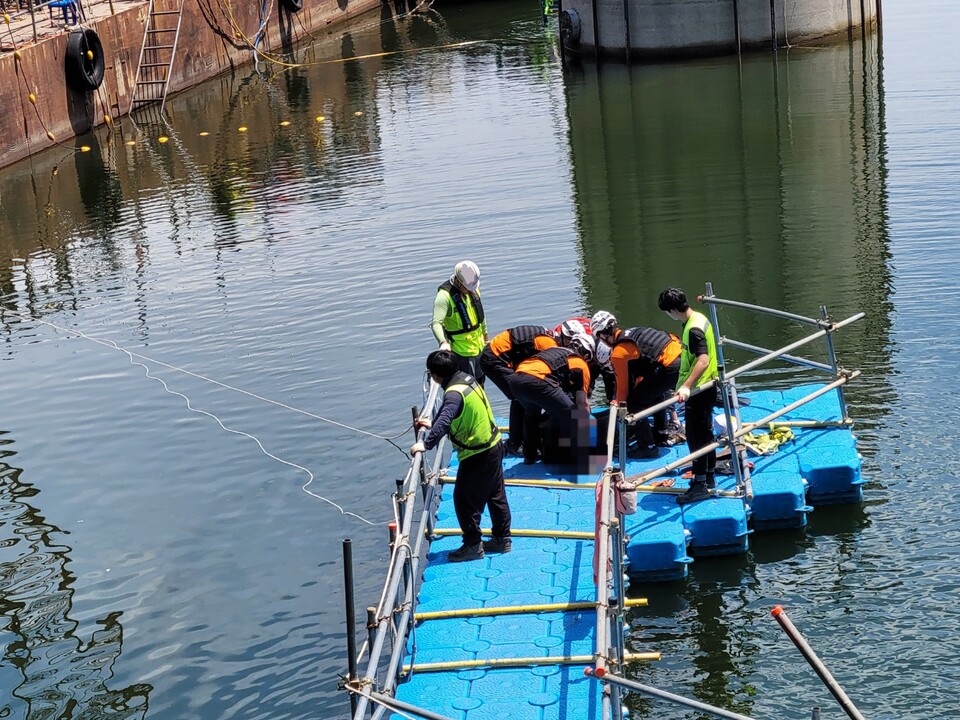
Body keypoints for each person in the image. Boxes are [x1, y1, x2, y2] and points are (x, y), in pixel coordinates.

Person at [410, 350, 511, 561]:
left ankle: (473, 545)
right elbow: (450, 413)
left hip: (479, 453)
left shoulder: (453, 393)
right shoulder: (466, 379)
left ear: (436, 375)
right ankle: (502, 540)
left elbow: (447, 417)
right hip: (493, 445)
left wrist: (424, 444)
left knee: (464, 499)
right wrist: (431, 422)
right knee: (495, 495)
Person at [591, 311, 683, 459]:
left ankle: (647, 447)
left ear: (602, 335)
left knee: (633, 402)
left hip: (669, 367)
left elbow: (622, 388)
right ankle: (661, 434)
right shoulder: (632, 332)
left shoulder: (618, 353)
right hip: (680, 358)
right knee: (653, 393)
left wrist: (620, 406)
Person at [657, 287, 719, 504]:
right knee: (706, 433)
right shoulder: (700, 318)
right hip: (709, 386)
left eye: (668, 311)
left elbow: (702, 360)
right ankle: (709, 477)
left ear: (674, 310)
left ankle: (699, 484)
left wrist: (686, 385)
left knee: (696, 437)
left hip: (698, 390)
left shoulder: (693, 330)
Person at [508, 337, 593, 465]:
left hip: (516, 379)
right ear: (586, 355)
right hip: (538, 380)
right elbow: (582, 403)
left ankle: (529, 456)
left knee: (531, 416)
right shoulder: (581, 364)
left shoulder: (554, 351)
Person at [480, 325, 558, 457]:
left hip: (504, 356)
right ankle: (514, 443)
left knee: (528, 395)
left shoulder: (550, 339)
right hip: (494, 359)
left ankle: (525, 434)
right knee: (519, 396)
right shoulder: (550, 346)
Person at [431, 260, 488, 382]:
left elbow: (480, 316)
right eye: (467, 288)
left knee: (480, 382)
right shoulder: (444, 297)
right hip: (461, 351)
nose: (469, 290)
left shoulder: (473, 291)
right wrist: (443, 342)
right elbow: (436, 323)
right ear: (458, 281)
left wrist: (485, 336)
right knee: (467, 385)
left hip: (479, 347)